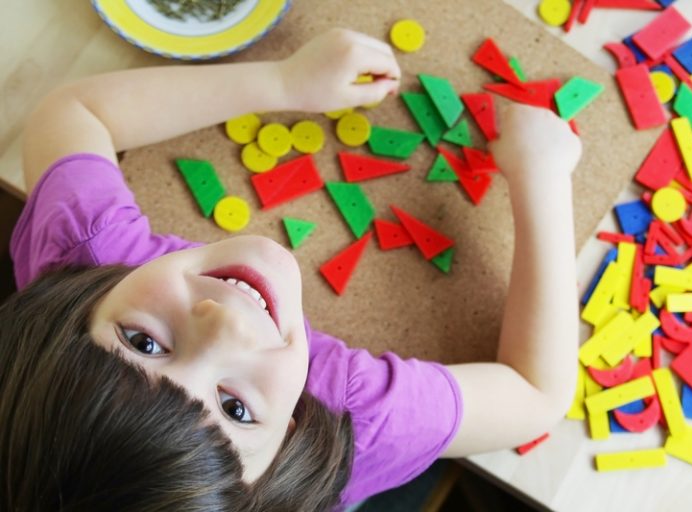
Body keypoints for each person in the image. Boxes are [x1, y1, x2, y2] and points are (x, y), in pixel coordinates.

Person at [1, 28, 582, 511]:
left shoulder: (80, 254)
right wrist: (544, 177)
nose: (224, 324)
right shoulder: (358, 417)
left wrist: (284, 81)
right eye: (234, 409)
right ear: (290, 442)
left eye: (143, 343)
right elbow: (537, 393)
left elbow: (72, 111)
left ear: (64, 315)